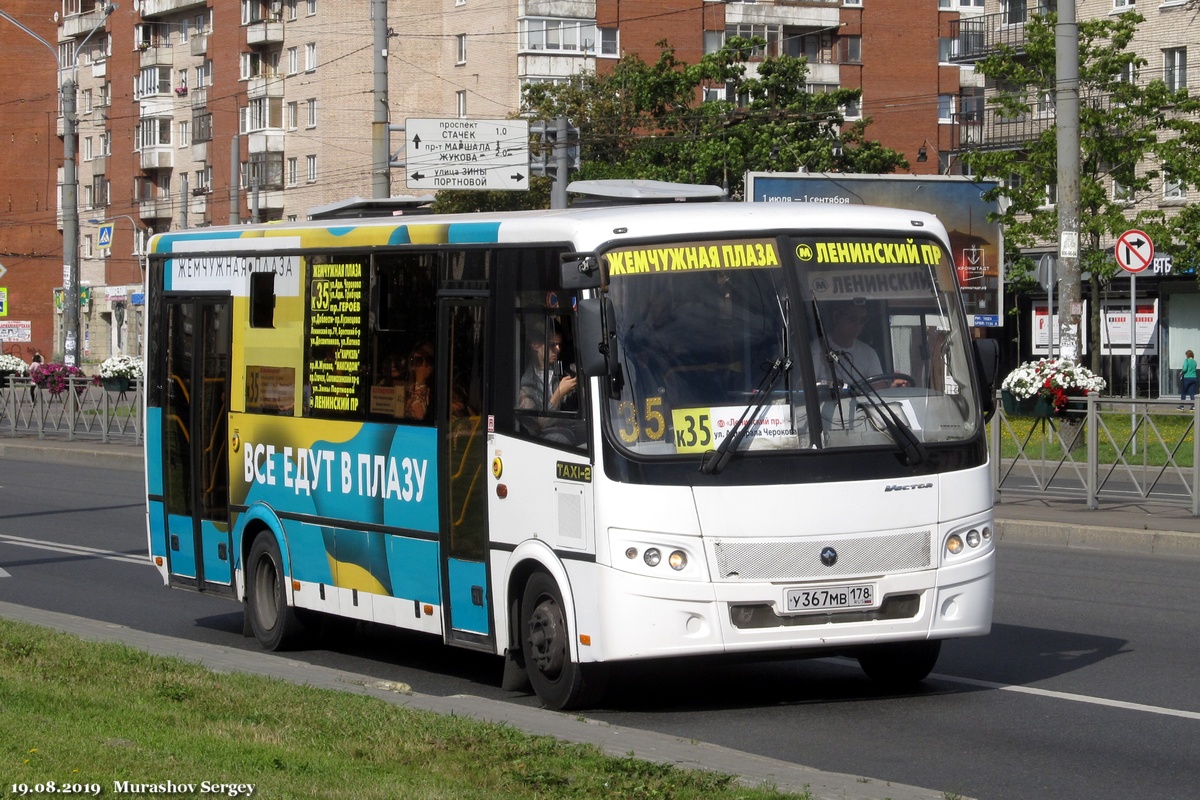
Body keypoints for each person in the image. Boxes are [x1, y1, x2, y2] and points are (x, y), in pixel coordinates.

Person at [518, 319, 577, 437]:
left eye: (560, 344)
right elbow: (537, 426)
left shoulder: (567, 371)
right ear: (535, 345)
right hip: (546, 440)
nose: (558, 349)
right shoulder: (527, 383)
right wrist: (559, 394)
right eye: (552, 344)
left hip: (571, 430)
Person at [403, 341, 435, 421]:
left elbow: (420, 416)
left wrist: (420, 381)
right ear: (412, 365)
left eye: (429, 360)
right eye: (418, 361)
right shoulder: (405, 391)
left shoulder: (441, 393)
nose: (424, 365)